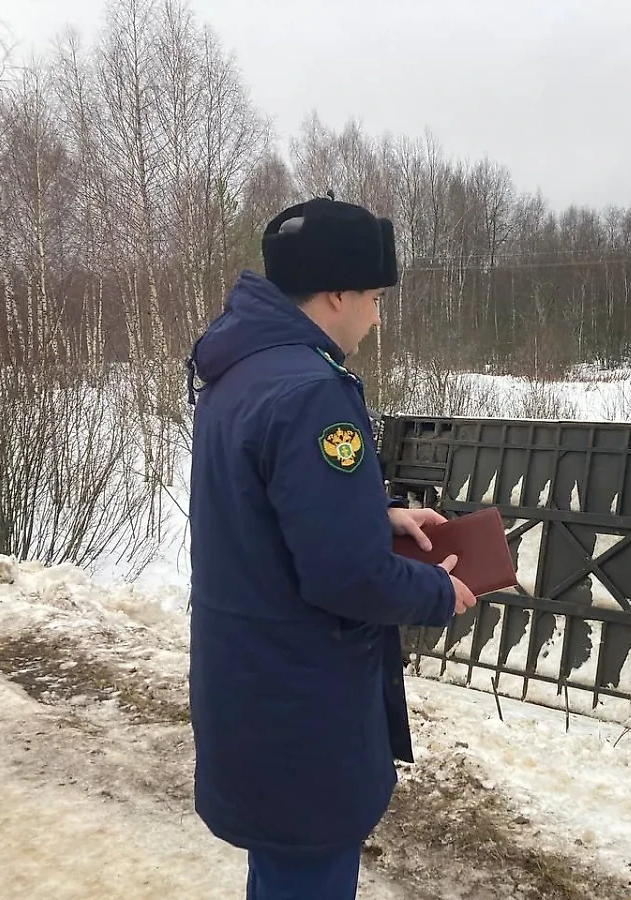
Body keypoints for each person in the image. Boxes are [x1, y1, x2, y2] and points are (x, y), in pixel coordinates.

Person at [184, 196, 477, 899]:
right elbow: (346, 575)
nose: (376, 319)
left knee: (280, 868)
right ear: (337, 294)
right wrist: (438, 592)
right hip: (302, 702)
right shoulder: (312, 390)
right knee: (305, 872)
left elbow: (264, 510)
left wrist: (376, 514)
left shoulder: (240, 372)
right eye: (375, 299)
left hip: (250, 684)